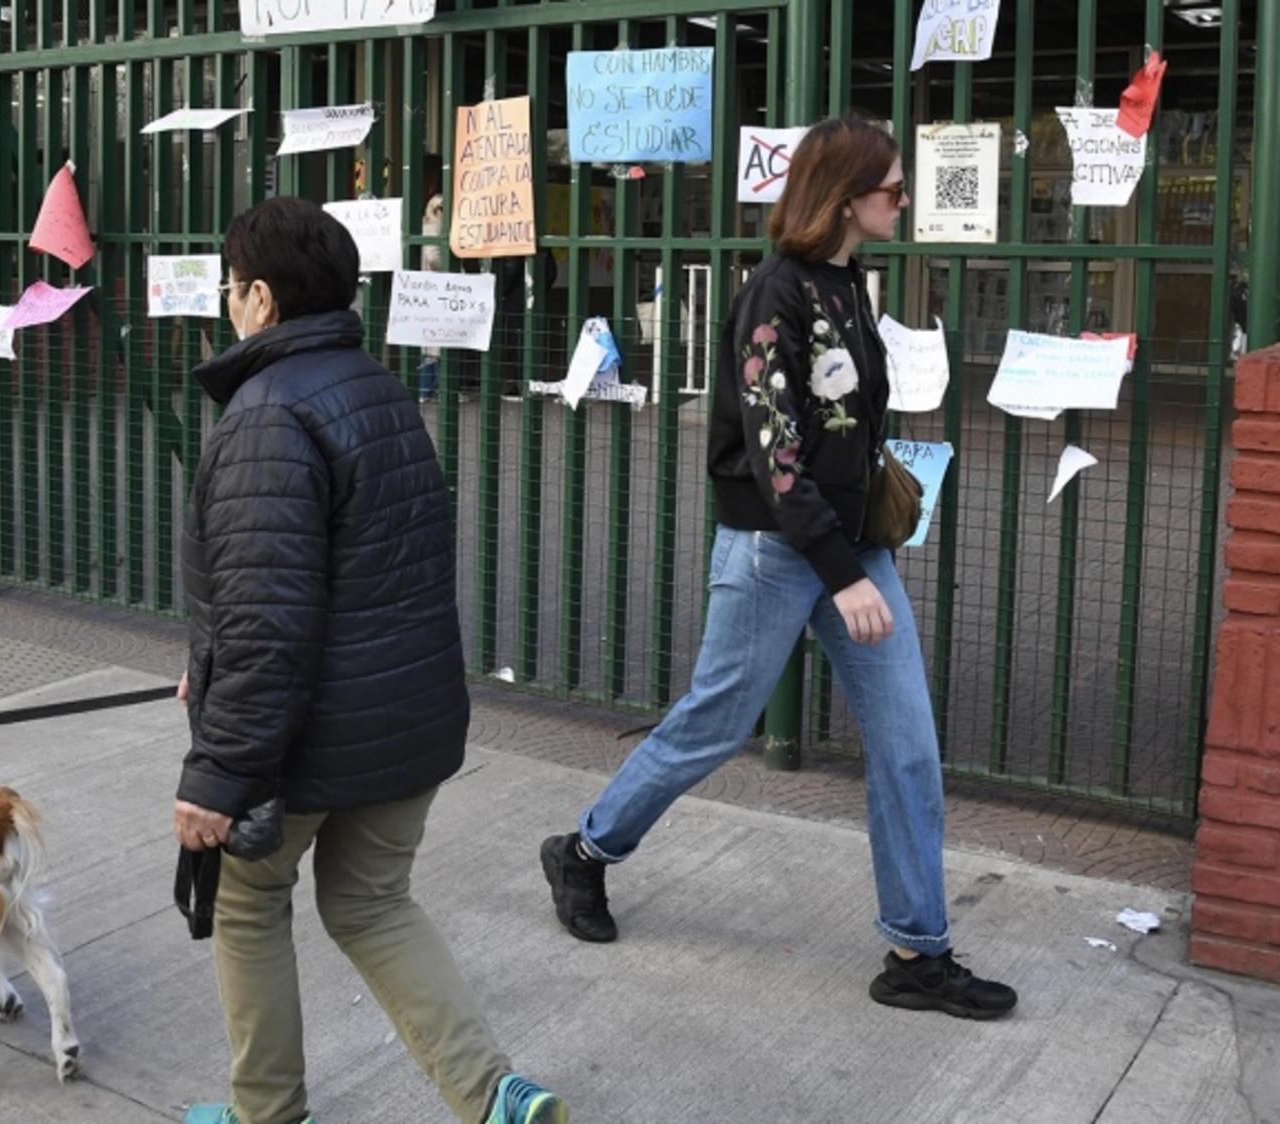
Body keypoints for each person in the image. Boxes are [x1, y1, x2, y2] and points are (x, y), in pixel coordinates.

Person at [538, 117, 1018, 1022]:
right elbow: (775, 454)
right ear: (844, 197)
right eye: (892, 188)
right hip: (778, 552)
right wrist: (844, 572)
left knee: (909, 746)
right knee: (715, 723)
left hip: (848, 549)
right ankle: (586, 851)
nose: (903, 200)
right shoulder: (775, 294)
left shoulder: (849, 284)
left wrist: (861, 542)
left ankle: (918, 950)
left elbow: (847, 426)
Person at [173, 197, 567, 1124]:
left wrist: (220, 771)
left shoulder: (265, 414)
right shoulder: (378, 388)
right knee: (373, 903)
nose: (229, 304)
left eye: (232, 289)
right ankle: (495, 1095)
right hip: (407, 718)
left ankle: (263, 1112)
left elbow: (273, 621)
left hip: (310, 739)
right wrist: (215, 658)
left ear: (260, 299)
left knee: (247, 904)